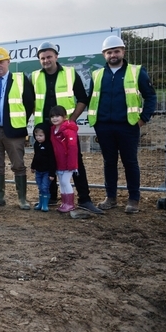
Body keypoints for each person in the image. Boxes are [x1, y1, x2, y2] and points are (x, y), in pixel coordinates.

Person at [88, 35, 157, 214]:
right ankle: (110, 197)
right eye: (109, 52)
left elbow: (150, 96)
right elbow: (91, 99)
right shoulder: (97, 75)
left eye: (116, 51)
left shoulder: (136, 71)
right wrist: (97, 123)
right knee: (109, 162)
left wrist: (144, 119)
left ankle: (134, 199)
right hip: (104, 126)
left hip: (128, 126)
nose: (113, 55)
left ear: (123, 52)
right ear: (104, 54)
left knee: (130, 162)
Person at [32, 41, 103, 214]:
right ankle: (52, 197)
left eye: (49, 56)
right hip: (46, 129)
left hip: (66, 130)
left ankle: (85, 199)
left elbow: (82, 99)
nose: (46, 60)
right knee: (49, 161)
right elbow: (30, 101)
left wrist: (69, 122)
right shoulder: (34, 76)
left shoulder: (70, 74)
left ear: (56, 56)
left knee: (75, 161)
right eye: (42, 58)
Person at [0, 47, 35, 210]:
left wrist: (18, 121)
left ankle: (22, 199)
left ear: (8, 62)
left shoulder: (20, 79)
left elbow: (29, 103)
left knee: (18, 165)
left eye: (1, 62)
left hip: (13, 131)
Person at [49, 105, 79, 213]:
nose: (54, 118)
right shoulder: (53, 130)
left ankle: (70, 203)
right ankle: (64, 202)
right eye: (52, 116)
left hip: (68, 164)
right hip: (59, 163)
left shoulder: (68, 130)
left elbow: (72, 148)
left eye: (57, 116)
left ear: (64, 116)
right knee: (61, 182)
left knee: (66, 182)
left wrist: (71, 164)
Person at [30, 123, 56, 212]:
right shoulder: (36, 145)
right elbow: (36, 156)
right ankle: (40, 203)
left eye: (41, 135)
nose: (38, 137)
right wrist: (33, 166)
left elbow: (52, 159)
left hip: (47, 171)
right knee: (40, 187)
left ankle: (45, 204)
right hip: (38, 171)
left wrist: (52, 173)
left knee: (45, 187)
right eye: (36, 135)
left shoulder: (49, 145)